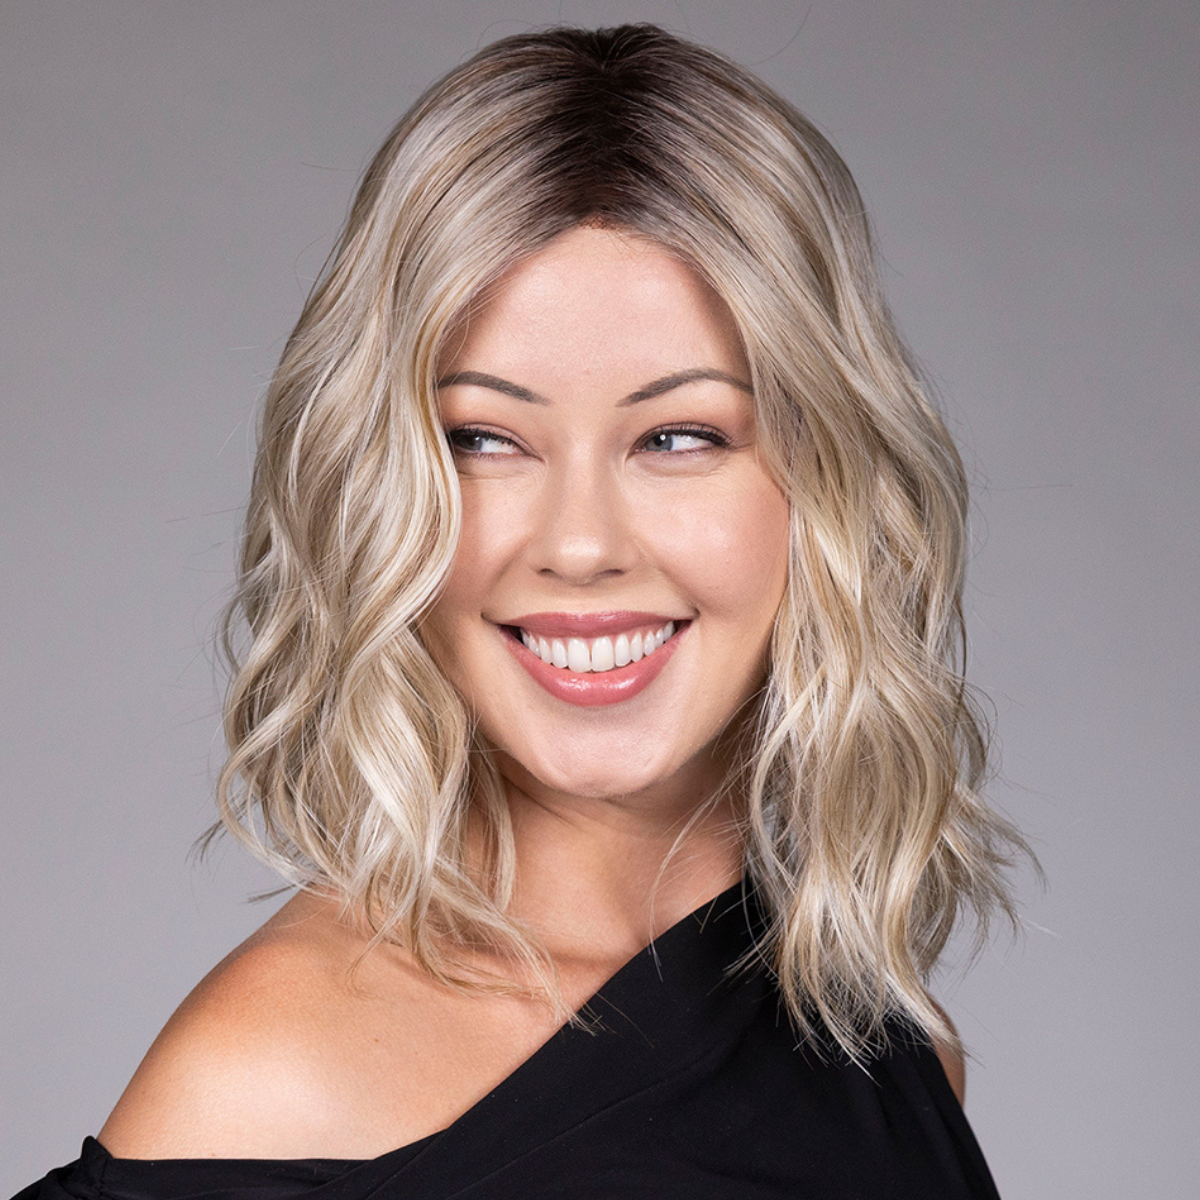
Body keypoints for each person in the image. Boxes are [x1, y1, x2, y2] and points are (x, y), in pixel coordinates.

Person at [17, 24, 1027, 1200]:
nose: (581, 545)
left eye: (679, 436)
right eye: (484, 439)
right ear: (379, 488)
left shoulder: (894, 1058)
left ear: (827, 479)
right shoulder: (264, 1085)